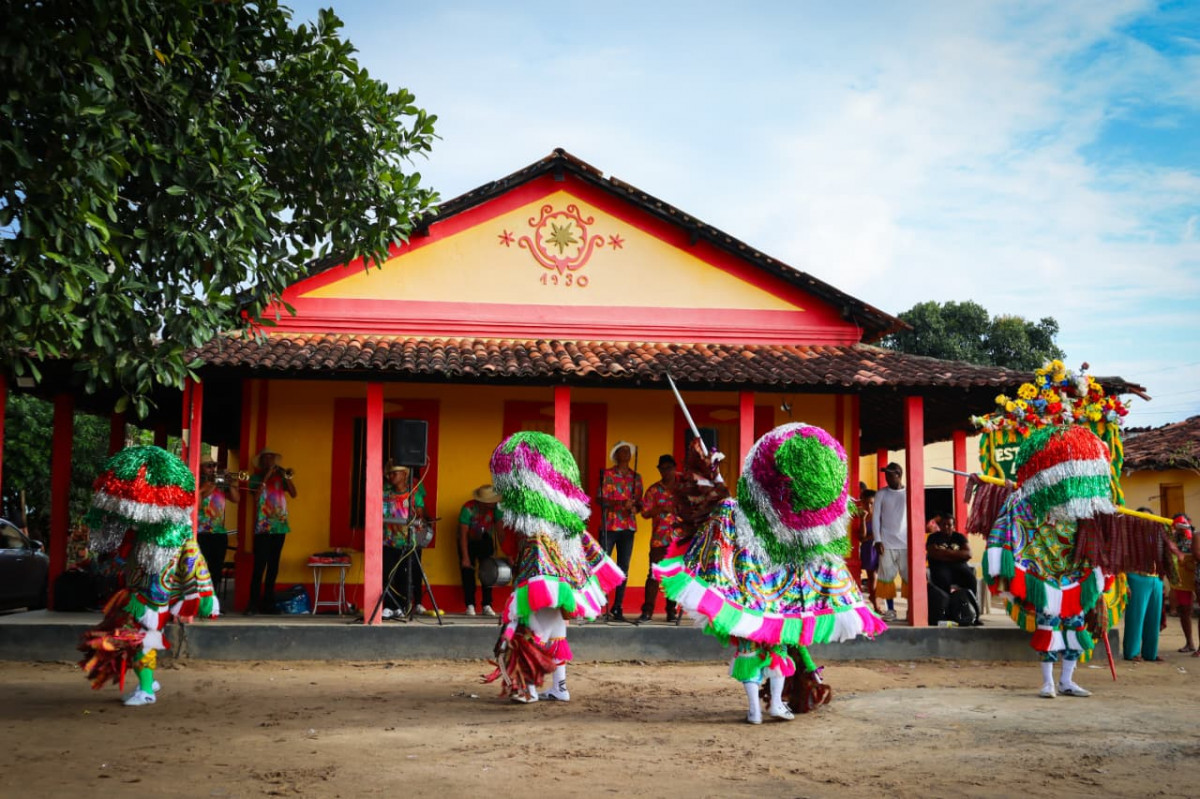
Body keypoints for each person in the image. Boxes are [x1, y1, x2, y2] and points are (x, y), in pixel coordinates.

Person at [654, 423, 887, 724]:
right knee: (773, 649)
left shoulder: (750, 516)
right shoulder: (791, 529)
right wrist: (713, 482)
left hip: (755, 595)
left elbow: (716, 513)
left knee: (758, 650)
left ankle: (759, 708)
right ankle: (768, 706)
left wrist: (713, 486)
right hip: (772, 598)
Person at [483, 431, 624, 703]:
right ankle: (559, 687)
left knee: (533, 631)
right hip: (562, 587)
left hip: (546, 588)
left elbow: (538, 568)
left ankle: (528, 688)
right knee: (557, 632)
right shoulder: (566, 526)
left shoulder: (538, 532)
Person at [79, 446, 218, 706]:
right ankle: (147, 680)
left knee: (139, 638)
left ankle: (146, 690)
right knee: (134, 637)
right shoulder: (145, 530)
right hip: (138, 592)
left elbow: (182, 565)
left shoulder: (172, 534)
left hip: (152, 597)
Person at [1121, 508, 1181, 663]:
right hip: (1136, 576)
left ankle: (1150, 653)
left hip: (1155, 578)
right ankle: (1132, 652)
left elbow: (1165, 555)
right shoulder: (1130, 535)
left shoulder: (1159, 534)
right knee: (1136, 617)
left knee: (1154, 618)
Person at [382, 463, 437, 618]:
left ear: (405, 475)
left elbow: (419, 516)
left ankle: (400, 606)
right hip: (389, 540)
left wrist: (417, 521)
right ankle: (388, 606)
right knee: (387, 573)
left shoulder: (414, 494)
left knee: (404, 575)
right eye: (390, 474)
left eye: (395, 473)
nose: (391, 477)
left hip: (408, 542)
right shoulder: (385, 493)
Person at [247, 448, 296, 615]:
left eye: (272, 459)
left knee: (273, 567)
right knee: (259, 566)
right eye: (266, 459)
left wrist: (286, 478)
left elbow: (294, 494)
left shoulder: (280, 478)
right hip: (263, 528)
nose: (270, 462)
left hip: (280, 527)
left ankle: (268, 604)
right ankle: (253, 604)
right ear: (262, 462)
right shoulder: (255, 478)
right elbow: (255, 497)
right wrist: (267, 477)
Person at [598, 440, 642, 621]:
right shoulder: (607, 474)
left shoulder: (636, 477)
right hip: (610, 525)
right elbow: (600, 499)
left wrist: (634, 508)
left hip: (628, 527)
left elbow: (640, 502)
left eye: (628, 451)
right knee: (604, 565)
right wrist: (620, 504)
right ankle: (602, 605)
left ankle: (618, 607)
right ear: (616, 455)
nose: (627, 454)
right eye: (623, 451)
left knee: (624, 568)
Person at [638, 454, 680, 622]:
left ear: (674, 468)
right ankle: (647, 611)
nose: (665, 472)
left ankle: (671, 611)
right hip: (659, 540)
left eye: (668, 468)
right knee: (653, 576)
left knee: (674, 576)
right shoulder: (654, 490)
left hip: (678, 540)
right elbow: (645, 513)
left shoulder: (682, 489)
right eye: (662, 469)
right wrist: (661, 507)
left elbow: (691, 509)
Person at [926, 512, 982, 625]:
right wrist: (956, 554)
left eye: (949, 525)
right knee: (942, 580)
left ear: (953, 526)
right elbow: (933, 553)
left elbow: (968, 554)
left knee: (971, 579)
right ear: (940, 526)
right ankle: (946, 614)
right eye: (944, 524)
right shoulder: (933, 537)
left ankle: (973, 614)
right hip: (940, 568)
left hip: (959, 569)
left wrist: (944, 553)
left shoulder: (959, 537)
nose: (946, 527)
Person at [872, 462, 908, 622]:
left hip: (907, 543)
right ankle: (891, 609)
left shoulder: (909, 493)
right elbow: (875, 518)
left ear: (898, 475)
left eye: (889, 474)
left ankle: (910, 608)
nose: (886, 477)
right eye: (885, 474)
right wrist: (877, 540)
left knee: (908, 577)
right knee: (886, 577)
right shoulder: (881, 494)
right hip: (886, 542)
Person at [197, 460, 238, 597]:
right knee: (201, 567)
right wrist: (214, 482)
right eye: (208, 465)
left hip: (219, 532)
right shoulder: (199, 481)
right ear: (201, 468)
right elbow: (200, 498)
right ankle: (200, 598)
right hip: (201, 532)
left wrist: (230, 483)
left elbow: (236, 499)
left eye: (214, 465)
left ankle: (213, 599)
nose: (212, 468)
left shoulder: (220, 484)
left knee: (216, 567)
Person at [458, 484, 501, 617]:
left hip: (485, 540)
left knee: (488, 571)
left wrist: (505, 552)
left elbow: (500, 532)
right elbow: (463, 535)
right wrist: (465, 557)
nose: (495, 503)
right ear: (484, 502)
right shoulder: (467, 509)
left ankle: (487, 604)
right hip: (468, 541)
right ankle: (470, 605)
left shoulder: (496, 510)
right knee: (468, 571)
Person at [1168, 514, 1196, 653]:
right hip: (1181, 578)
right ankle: (1189, 642)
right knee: (1184, 611)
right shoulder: (1172, 537)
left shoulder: (1196, 535)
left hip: (1196, 575)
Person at [858, 489, 879, 611]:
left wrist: (867, 538)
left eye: (871, 503)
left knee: (879, 577)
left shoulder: (879, 515)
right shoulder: (862, 517)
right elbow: (861, 537)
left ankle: (874, 598)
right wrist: (863, 520)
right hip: (868, 550)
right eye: (866, 503)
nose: (869, 506)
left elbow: (879, 533)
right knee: (872, 576)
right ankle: (874, 601)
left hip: (878, 547)